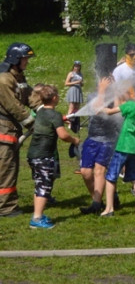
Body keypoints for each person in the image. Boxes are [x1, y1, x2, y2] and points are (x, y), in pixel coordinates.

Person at [100, 83, 135, 217]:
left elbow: (109, 111)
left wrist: (100, 108)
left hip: (123, 146)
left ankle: (109, 209)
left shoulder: (131, 105)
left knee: (110, 177)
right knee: (134, 177)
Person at [26, 85, 80, 228]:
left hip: (32, 154)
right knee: (44, 186)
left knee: (39, 184)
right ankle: (36, 219)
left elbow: (47, 123)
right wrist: (74, 140)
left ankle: (38, 214)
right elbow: (63, 135)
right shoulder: (55, 115)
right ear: (55, 98)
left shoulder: (41, 111)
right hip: (44, 156)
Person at [0, 42, 38, 217]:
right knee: (6, 169)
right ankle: (6, 208)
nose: (27, 62)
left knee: (11, 168)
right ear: (16, 59)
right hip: (3, 130)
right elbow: (14, 106)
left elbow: (30, 96)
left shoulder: (18, 77)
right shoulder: (4, 79)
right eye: (25, 59)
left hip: (11, 130)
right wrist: (32, 122)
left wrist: (45, 110)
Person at [78, 76, 124, 215]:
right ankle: (97, 199)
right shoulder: (93, 96)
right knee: (85, 172)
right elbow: (96, 108)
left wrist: (116, 93)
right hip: (92, 138)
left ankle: (96, 204)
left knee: (99, 171)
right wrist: (102, 91)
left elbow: (118, 112)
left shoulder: (115, 97)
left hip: (108, 140)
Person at [64, 60, 84, 158]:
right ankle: (69, 121)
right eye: (76, 66)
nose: (77, 67)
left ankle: (76, 122)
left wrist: (81, 84)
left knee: (77, 108)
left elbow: (81, 83)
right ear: (73, 66)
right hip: (73, 90)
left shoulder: (80, 74)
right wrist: (76, 82)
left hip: (78, 90)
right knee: (71, 107)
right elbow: (66, 83)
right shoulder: (71, 73)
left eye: (78, 66)